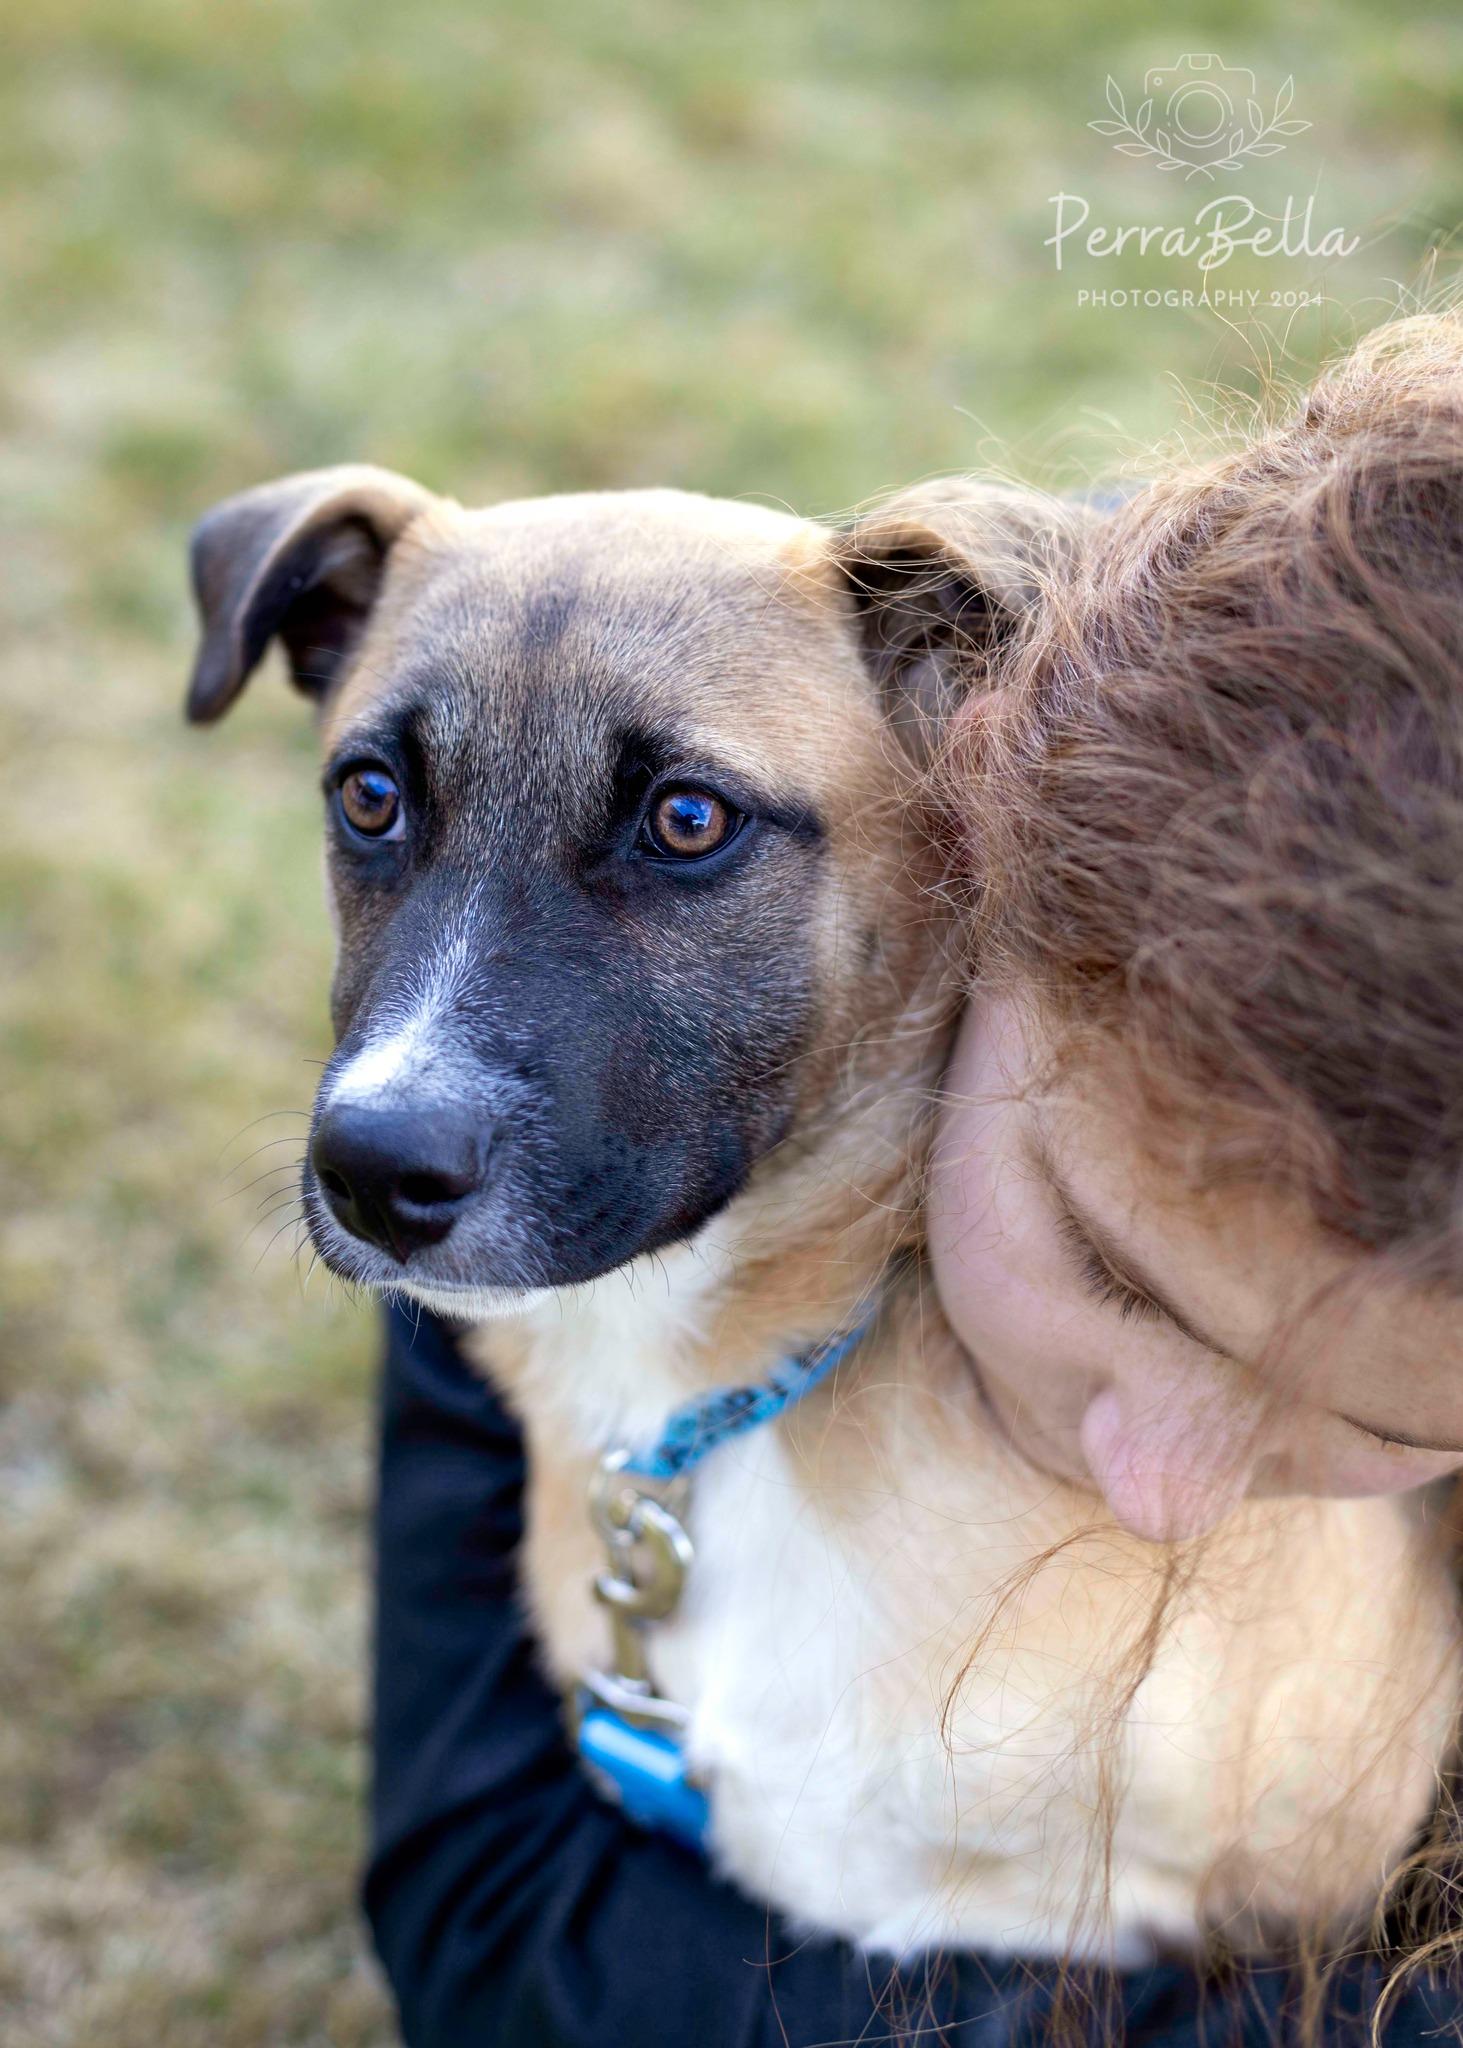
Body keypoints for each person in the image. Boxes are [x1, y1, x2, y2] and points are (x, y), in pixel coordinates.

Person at [365, 314, 1463, 2045]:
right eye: (1113, 1266)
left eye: (1387, 1423)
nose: (1162, 1490)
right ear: (989, 832)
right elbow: (484, 1907)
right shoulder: (1006, 668)